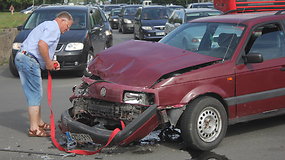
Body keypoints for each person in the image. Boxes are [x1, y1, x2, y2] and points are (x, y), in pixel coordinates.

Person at [14, 11, 73, 137]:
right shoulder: (54, 28)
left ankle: (39, 122)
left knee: (35, 92)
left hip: (24, 57)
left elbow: (41, 45)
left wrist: (51, 61)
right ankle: (34, 128)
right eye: (67, 26)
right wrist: (48, 62)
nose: (67, 30)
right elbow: (42, 44)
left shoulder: (47, 25)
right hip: (29, 60)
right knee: (34, 94)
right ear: (62, 20)